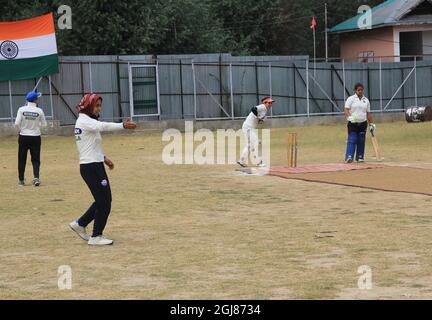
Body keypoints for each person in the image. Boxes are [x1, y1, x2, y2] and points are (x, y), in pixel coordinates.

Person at [69, 93, 137, 246]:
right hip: (91, 167)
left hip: (95, 164)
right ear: (88, 106)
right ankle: (96, 236)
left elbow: (90, 145)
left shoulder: (86, 121)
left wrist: (105, 159)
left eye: (100, 106)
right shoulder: (85, 121)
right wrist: (122, 125)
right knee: (105, 202)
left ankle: (80, 224)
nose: (99, 109)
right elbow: (103, 126)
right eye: (97, 105)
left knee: (103, 200)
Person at [15, 91, 47, 187]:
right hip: (35, 137)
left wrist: (21, 129)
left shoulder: (21, 109)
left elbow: (16, 123)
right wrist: (37, 126)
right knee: (36, 158)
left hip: (23, 136)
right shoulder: (39, 111)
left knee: (21, 158)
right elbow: (44, 125)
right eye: (37, 98)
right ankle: (36, 178)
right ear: (35, 100)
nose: (38, 99)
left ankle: (21, 180)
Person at [237, 97, 274, 167]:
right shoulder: (262, 107)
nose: (270, 104)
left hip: (248, 127)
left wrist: (260, 120)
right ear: (265, 103)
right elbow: (253, 109)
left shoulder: (265, 110)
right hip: (248, 127)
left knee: (249, 145)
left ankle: (242, 160)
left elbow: (258, 119)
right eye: (269, 103)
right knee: (255, 142)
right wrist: (259, 117)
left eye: (271, 103)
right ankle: (258, 162)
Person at [344, 83, 376, 163]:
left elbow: (368, 113)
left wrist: (371, 124)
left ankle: (360, 157)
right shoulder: (351, 99)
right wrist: (349, 117)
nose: (360, 91)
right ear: (355, 91)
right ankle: (349, 156)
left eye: (361, 90)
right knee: (353, 138)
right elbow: (346, 109)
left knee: (361, 139)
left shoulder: (366, 100)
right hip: (353, 123)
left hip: (363, 123)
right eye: (359, 90)